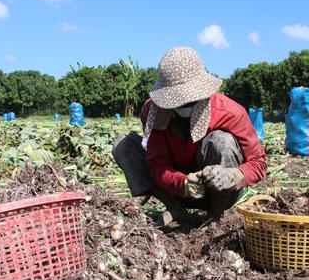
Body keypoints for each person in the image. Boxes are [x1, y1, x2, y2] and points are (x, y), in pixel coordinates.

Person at [112, 46, 267, 227]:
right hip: (176, 189)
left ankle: (214, 217)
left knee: (222, 141)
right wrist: (182, 183)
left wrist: (233, 175)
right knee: (123, 145)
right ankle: (175, 208)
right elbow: (157, 163)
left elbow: (259, 163)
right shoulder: (154, 111)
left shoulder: (230, 112)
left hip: (219, 192)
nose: (184, 104)